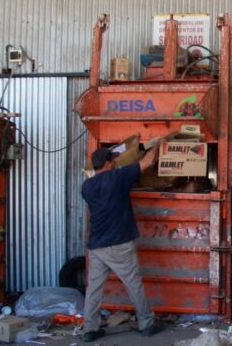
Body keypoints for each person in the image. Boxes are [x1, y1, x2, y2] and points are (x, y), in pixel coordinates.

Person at [80, 143, 164, 342]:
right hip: (118, 244)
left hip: (96, 246)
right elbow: (147, 161)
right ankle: (147, 323)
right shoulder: (118, 177)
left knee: (93, 289)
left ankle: (89, 330)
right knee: (134, 284)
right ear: (110, 163)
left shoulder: (87, 186)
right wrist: (158, 144)